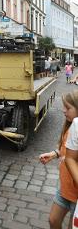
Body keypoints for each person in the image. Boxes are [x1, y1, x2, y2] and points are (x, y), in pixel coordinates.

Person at [39, 92, 78, 228]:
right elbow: (64, 149)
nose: (63, 110)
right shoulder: (69, 127)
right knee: (53, 220)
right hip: (65, 188)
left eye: (68, 108)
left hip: (76, 194)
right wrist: (54, 154)